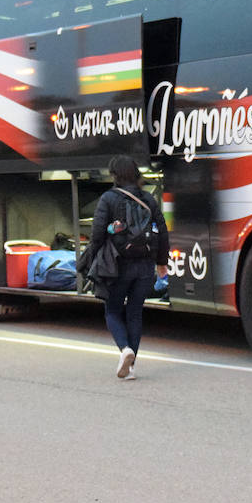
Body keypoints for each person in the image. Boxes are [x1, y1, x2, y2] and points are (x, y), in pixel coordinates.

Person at [80, 155, 169, 380]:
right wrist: (161, 262)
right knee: (135, 313)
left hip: (117, 266)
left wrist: (91, 258)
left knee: (112, 310)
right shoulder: (149, 199)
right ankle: (131, 367)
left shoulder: (108, 199)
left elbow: (98, 234)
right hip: (146, 266)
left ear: (115, 175)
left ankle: (124, 349)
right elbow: (163, 230)